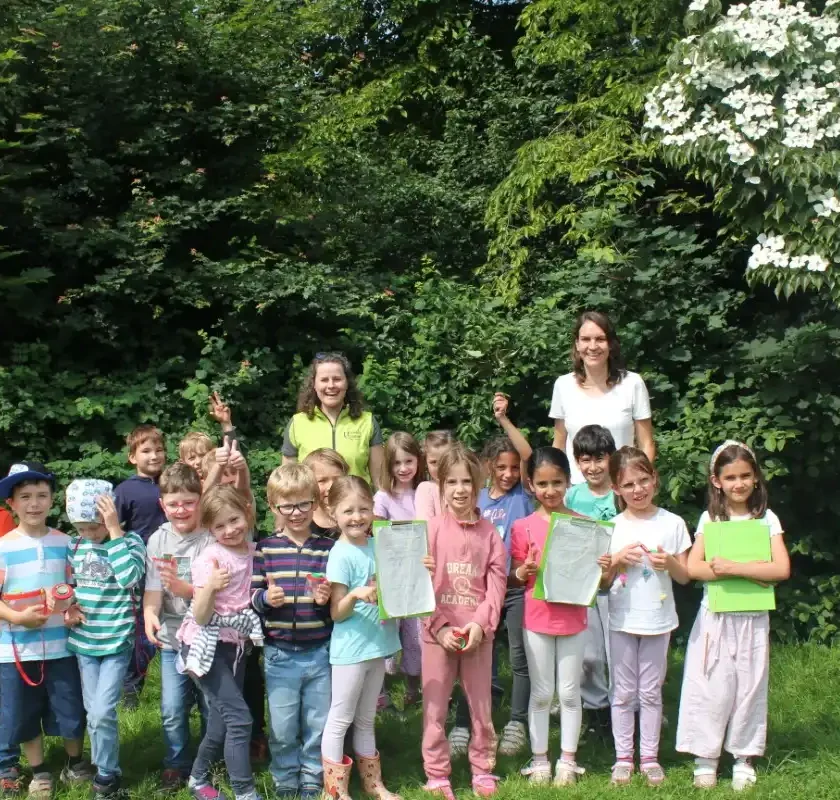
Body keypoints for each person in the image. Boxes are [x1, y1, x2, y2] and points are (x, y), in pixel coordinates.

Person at [676, 441, 790, 791]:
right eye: (731, 477)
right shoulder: (711, 519)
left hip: (753, 616)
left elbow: (781, 568)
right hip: (716, 616)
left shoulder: (766, 519)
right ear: (717, 481)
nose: (738, 483)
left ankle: (744, 756)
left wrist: (734, 567)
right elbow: (694, 567)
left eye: (745, 476)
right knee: (711, 682)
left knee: (750, 684)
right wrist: (749, 571)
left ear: (755, 478)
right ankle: (705, 757)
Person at [509, 448, 606, 786]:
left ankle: (567, 759)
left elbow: (599, 579)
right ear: (531, 485)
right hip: (537, 617)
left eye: (557, 483)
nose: (550, 491)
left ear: (567, 482)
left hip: (573, 618)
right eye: (542, 483)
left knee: (568, 692)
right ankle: (539, 759)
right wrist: (524, 569)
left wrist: (604, 570)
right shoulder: (522, 527)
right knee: (541, 692)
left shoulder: (585, 525)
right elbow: (514, 574)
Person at [0, 462, 92, 799]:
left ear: (52, 500)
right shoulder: (3, 547)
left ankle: (75, 762)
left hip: (62, 647)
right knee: (23, 714)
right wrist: (17, 616)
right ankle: (39, 771)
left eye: (41, 495)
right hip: (14, 651)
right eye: (25, 497)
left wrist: (73, 608)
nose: (34, 503)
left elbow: (76, 586)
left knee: (70, 708)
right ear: (12, 503)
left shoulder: (66, 543)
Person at [421, 444, 507, 800]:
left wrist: (479, 625)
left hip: (476, 635)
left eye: (466, 482)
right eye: (452, 482)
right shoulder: (429, 530)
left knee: (481, 707)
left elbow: (497, 586)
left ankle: (483, 768)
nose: (459, 489)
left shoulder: (490, 534)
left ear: (478, 486)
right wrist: (439, 627)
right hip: (436, 634)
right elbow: (415, 586)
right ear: (441, 486)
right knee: (435, 710)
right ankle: (437, 773)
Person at [605, 446, 691, 787]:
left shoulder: (672, 523)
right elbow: (600, 582)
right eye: (628, 484)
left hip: (658, 620)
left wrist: (668, 562)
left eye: (643, 480)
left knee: (652, 691)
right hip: (622, 619)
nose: (637, 490)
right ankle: (623, 758)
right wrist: (615, 561)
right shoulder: (611, 526)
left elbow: (685, 576)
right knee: (623, 692)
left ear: (655, 480)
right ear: (616, 488)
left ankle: (650, 757)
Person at [321, 476, 405, 800]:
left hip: (377, 646)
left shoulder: (376, 545)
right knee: (340, 718)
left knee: (366, 719)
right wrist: (355, 595)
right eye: (348, 511)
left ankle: (374, 785)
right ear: (333, 514)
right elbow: (336, 612)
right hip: (351, 651)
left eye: (363, 509)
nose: (357, 517)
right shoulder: (340, 554)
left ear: (373, 509)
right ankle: (335, 791)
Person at [176, 486, 262, 800]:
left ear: (247, 513)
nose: (229, 530)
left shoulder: (254, 552)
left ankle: (197, 780)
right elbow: (199, 616)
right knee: (240, 719)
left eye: (234, 520)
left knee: (222, 721)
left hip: (235, 647)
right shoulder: (209, 559)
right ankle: (245, 792)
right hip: (204, 646)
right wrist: (211, 587)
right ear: (210, 530)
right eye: (219, 526)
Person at [253, 464, 334, 799]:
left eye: (303, 504)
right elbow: (252, 598)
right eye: (287, 506)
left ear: (315, 503)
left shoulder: (327, 549)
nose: (296, 512)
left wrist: (323, 600)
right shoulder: (266, 548)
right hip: (280, 653)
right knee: (283, 727)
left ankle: (312, 777)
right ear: (274, 507)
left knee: (317, 724)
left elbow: (336, 604)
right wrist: (265, 599)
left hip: (320, 651)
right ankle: (285, 778)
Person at [65, 479, 146, 800]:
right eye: (82, 528)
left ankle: (108, 775)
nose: (88, 534)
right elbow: (66, 586)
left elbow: (129, 578)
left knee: (101, 713)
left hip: (115, 642)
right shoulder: (75, 546)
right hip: (84, 642)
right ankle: (106, 774)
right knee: (95, 712)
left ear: (109, 517)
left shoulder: (131, 543)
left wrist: (114, 533)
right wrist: (67, 606)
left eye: (94, 527)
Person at [144, 463, 211, 792]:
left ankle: (211, 763)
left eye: (188, 502)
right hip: (172, 641)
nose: (181, 510)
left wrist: (185, 589)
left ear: (200, 500)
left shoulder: (212, 538)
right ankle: (177, 764)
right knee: (172, 708)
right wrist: (150, 613)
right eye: (173, 504)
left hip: (209, 639)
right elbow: (153, 590)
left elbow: (218, 593)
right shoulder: (158, 540)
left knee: (212, 706)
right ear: (162, 505)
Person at [550, 311, 655, 485]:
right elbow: (558, 445)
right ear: (577, 344)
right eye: (585, 339)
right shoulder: (563, 385)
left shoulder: (632, 383)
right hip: (576, 493)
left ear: (611, 344)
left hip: (621, 490)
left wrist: (638, 484)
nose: (592, 346)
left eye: (600, 339)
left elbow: (647, 445)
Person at [564, 424, 618, 737]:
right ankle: (596, 709)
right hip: (584, 587)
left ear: (611, 458)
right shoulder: (572, 496)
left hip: (619, 584)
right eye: (585, 460)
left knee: (618, 652)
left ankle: (626, 708)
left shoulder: (621, 493)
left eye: (599, 459)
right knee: (589, 655)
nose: (593, 467)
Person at [115, 423, 167, 708]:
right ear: (132, 456)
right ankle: (131, 693)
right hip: (143, 572)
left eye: (159, 450)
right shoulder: (125, 490)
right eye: (146, 450)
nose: (154, 455)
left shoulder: (172, 483)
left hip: (177, 566)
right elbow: (114, 530)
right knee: (142, 635)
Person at [374, 432, 424, 707]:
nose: (404, 468)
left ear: (419, 460)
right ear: (388, 466)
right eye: (397, 463)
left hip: (419, 577)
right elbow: (377, 533)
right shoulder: (382, 497)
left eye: (409, 461)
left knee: (416, 637)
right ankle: (380, 689)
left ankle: (413, 687)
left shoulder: (425, 492)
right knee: (386, 633)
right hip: (392, 576)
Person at [281, 353, 384, 487]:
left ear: (347, 383)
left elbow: (380, 482)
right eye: (324, 380)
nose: (331, 385)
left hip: (356, 506)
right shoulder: (297, 424)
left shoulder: (367, 422)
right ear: (314, 385)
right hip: (313, 507)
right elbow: (288, 482)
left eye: (337, 379)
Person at [303, 449, 349, 538]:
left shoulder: (357, 519)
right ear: (307, 484)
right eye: (322, 481)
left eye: (337, 479)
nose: (331, 487)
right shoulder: (301, 522)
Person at [414, 431, 455, 522]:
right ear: (426, 463)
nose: (440, 467)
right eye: (433, 462)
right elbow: (426, 525)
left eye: (445, 460)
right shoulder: (425, 489)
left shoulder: (462, 486)